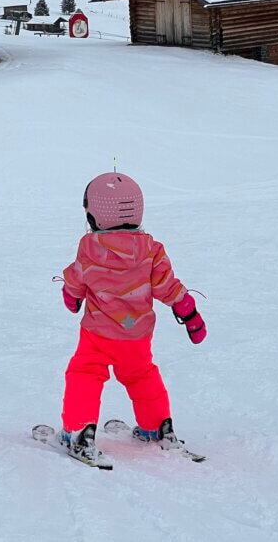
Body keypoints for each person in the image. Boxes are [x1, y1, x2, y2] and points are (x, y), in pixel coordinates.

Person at [57, 172, 207, 463]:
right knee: (141, 374)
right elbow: (168, 287)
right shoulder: (151, 250)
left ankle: (78, 433)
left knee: (85, 373)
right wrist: (190, 314)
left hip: (97, 336)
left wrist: (71, 297)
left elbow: (77, 280)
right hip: (136, 335)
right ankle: (157, 428)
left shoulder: (90, 248)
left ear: (94, 215)